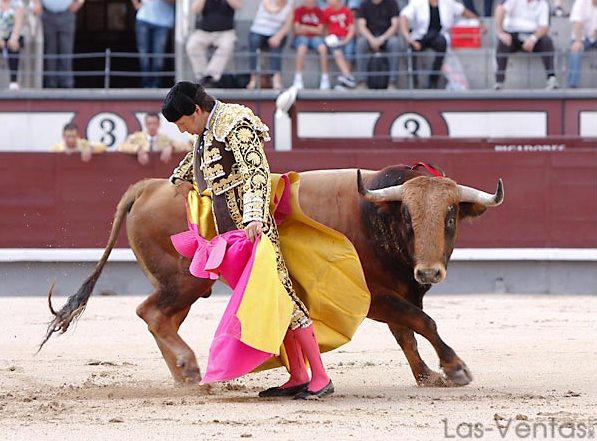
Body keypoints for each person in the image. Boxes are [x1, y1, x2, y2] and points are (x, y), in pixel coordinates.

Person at [162, 81, 334, 399]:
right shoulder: (208, 129)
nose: (184, 130)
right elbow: (200, 156)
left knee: (281, 296)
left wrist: (255, 215)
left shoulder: (235, 121)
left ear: (197, 110)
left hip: (253, 226)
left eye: (183, 122)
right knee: (263, 299)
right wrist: (180, 177)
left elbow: (255, 171)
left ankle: (320, 377)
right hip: (231, 231)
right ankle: (298, 373)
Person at [401, 0, 479, 89]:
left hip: (438, 36)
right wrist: (409, 39)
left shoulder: (447, 2)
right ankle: (414, 83)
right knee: (411, 50)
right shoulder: (417, 2)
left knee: (442, 44)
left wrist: (479, 21)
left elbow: (463, 11)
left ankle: (433, 81)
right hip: (421, 36)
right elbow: (404, 16)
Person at [494, 0, 558, 90]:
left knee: (547, 42)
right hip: (513, 34)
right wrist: (500, 33)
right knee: (502, 43)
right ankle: (499, 81)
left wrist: (533, 38)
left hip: (533, 35)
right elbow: (500, 9)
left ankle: (551, 78)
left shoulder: (543, 3)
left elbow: (544, 27)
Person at [185, 0, 242, 87]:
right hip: (204, 32)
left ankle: (211, 76)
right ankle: (202, 77)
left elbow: (238, 6)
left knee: (227, 45)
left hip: (226, 32)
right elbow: (195, 9)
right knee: (192, 45)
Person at [31, 0, 84, 88]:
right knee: (49, 52)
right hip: (47, 14)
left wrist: (79, 3)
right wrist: (36, 3)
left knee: (66, 50)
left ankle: (66, 84)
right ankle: (50, 84)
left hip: (67, 14)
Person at [355, 0, 403, 89]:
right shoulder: (364, 4)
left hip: (387, 36)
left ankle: (392, 82)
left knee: (395, 43)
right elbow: (361, 26)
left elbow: (395, 25)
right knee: (360, 43)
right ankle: (362, 82)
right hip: (369, 36)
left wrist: (382, 38)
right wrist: (371, 39)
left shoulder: (392, 3)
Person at [247, 0, 293, 90]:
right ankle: (253, 78)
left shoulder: (290, 4)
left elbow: (287, 26)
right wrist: (278, 9)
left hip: (276, 33)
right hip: (259, 30)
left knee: (276, 45)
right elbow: (270, 9)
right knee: (254, 41)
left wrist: (278, 37)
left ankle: (276, 78)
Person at [131, 0, 175, 88]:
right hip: (144, 19)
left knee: (159, 56)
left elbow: (175, 2)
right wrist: (136, 4)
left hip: (163, 23)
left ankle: (156, 85)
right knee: (144, 55)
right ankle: (146, 85)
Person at [117, 112, 186, 165]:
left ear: (159, 124)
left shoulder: (165, 139)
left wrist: (171, 147)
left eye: (154, 123)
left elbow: (184, 147)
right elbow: (120, 146)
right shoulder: (136, 138)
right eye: (149, 123)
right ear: (145, 124)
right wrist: (137, 149)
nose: (152, 126)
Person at [292, 0, 330, 89]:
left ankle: (325, 79)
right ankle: (298, 78)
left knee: (323, 48)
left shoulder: (319, 11)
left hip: (316, 38)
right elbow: (297, 29)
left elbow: (320, 30)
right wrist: (313, 29)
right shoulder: (299, 10)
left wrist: (305, 27)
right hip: (302, 37)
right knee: (302, 47)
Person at [323, 0, 357, 89]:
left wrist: (345, 41)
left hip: (346, 38)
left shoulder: (346, 11)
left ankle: (346, 80)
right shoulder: (327, 11)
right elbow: (325, 28)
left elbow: (351, 29)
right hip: (334, 38)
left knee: (349, 49)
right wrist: (328, 38)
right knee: (337, 50)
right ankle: (348, 77)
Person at [566, 0, 597, 88]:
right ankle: (572, 84)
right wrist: (578, 41)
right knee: (576, 49)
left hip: (594, 37)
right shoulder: (581, 3)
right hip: (580, 37)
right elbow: (577, 24)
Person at [0, 0, 25, 90]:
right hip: (1, 35)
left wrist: (13, 38)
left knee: (14, 46)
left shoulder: (17, 4)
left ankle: (13, 81)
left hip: (13, 35)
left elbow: (18, 23)